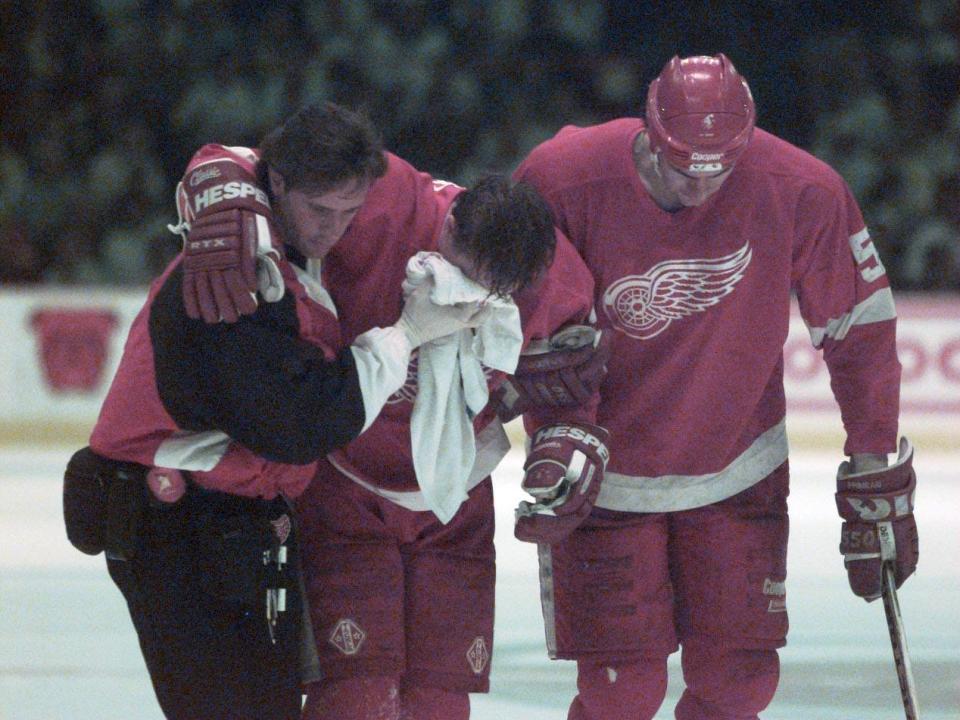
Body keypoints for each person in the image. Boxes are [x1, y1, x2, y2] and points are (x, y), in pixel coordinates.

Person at [511, 53, 918, 720]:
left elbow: (860, 332)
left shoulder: (803, 189)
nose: (702, 189)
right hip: (606, 473)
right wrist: (555, 423)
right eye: (681, 169)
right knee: (619, 691)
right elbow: (529, 318)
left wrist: (874, 463)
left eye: (722, 168)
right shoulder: (559, 179)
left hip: (739, 464)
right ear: (649, 131)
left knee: (740, 684)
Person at [62, 103, 491, 720]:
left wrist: (222, 181)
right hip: (176, 526)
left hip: (232, 523)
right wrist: (406, 335)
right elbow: (297, 424)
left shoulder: (283, 249)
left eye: (349, 213)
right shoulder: (234, 274)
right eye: (320, 211)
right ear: (280, 185)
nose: (332, 232)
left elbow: (239, 158)